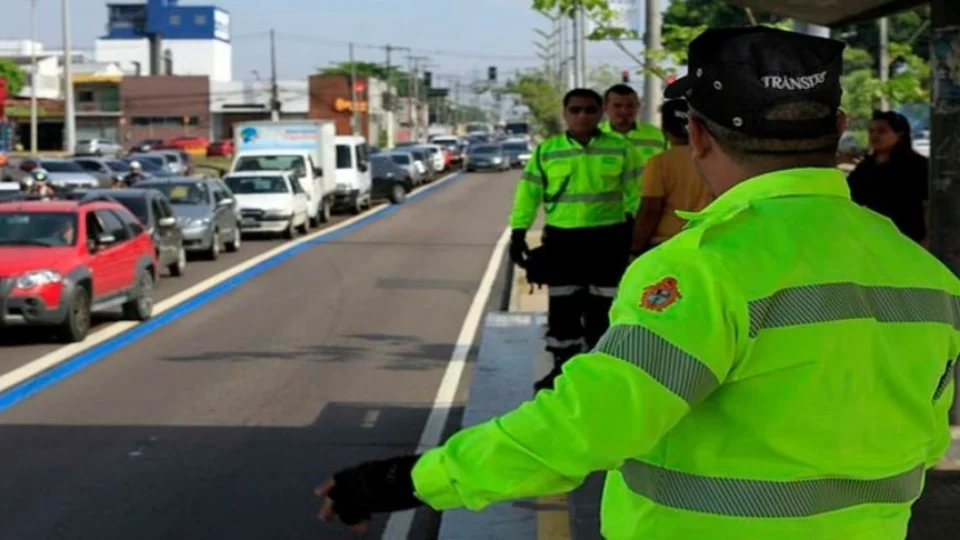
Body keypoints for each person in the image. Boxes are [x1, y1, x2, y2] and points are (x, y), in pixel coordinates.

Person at [316, 26, 960, 539]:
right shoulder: (924, 273)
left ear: (697, 134)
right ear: (839, 125)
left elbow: (586, 425)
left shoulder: (704, 267)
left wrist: (417, 478)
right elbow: (927, 441)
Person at [507, 88, 642, 393]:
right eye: (576, 110)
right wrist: (517, 232)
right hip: (562, 242)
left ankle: (599, 373)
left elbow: (637, 192)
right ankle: (561, 370)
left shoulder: (621, 149)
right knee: (563, 307)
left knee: (604, 308)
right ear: (565, 113)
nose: (583, 115)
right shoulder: (547, 151)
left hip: (608, 240)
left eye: (590, 110)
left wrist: (634, 231)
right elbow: (528, 194)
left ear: (600, 113)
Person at [630, 98, 713, 256]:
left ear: (665, 129)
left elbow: (650, 210)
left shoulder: (659, 163)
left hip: (665, 244)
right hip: (704, 240)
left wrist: (636, 248)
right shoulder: (713, 160)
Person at [847, 110, 929, 245]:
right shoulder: (865, 167)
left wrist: (927, 238)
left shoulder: (916, 165)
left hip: (906, 238)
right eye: (871, 131)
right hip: (869, 238)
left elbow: (927, 203)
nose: (875, 136)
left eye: (882, 131)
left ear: (899, 134)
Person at [600, 84, 667, 169]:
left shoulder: (658, 135)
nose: (624, 111)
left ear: (638, 106)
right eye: (617, 106)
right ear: (605, 107)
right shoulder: (592, 136)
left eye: (630, 106)